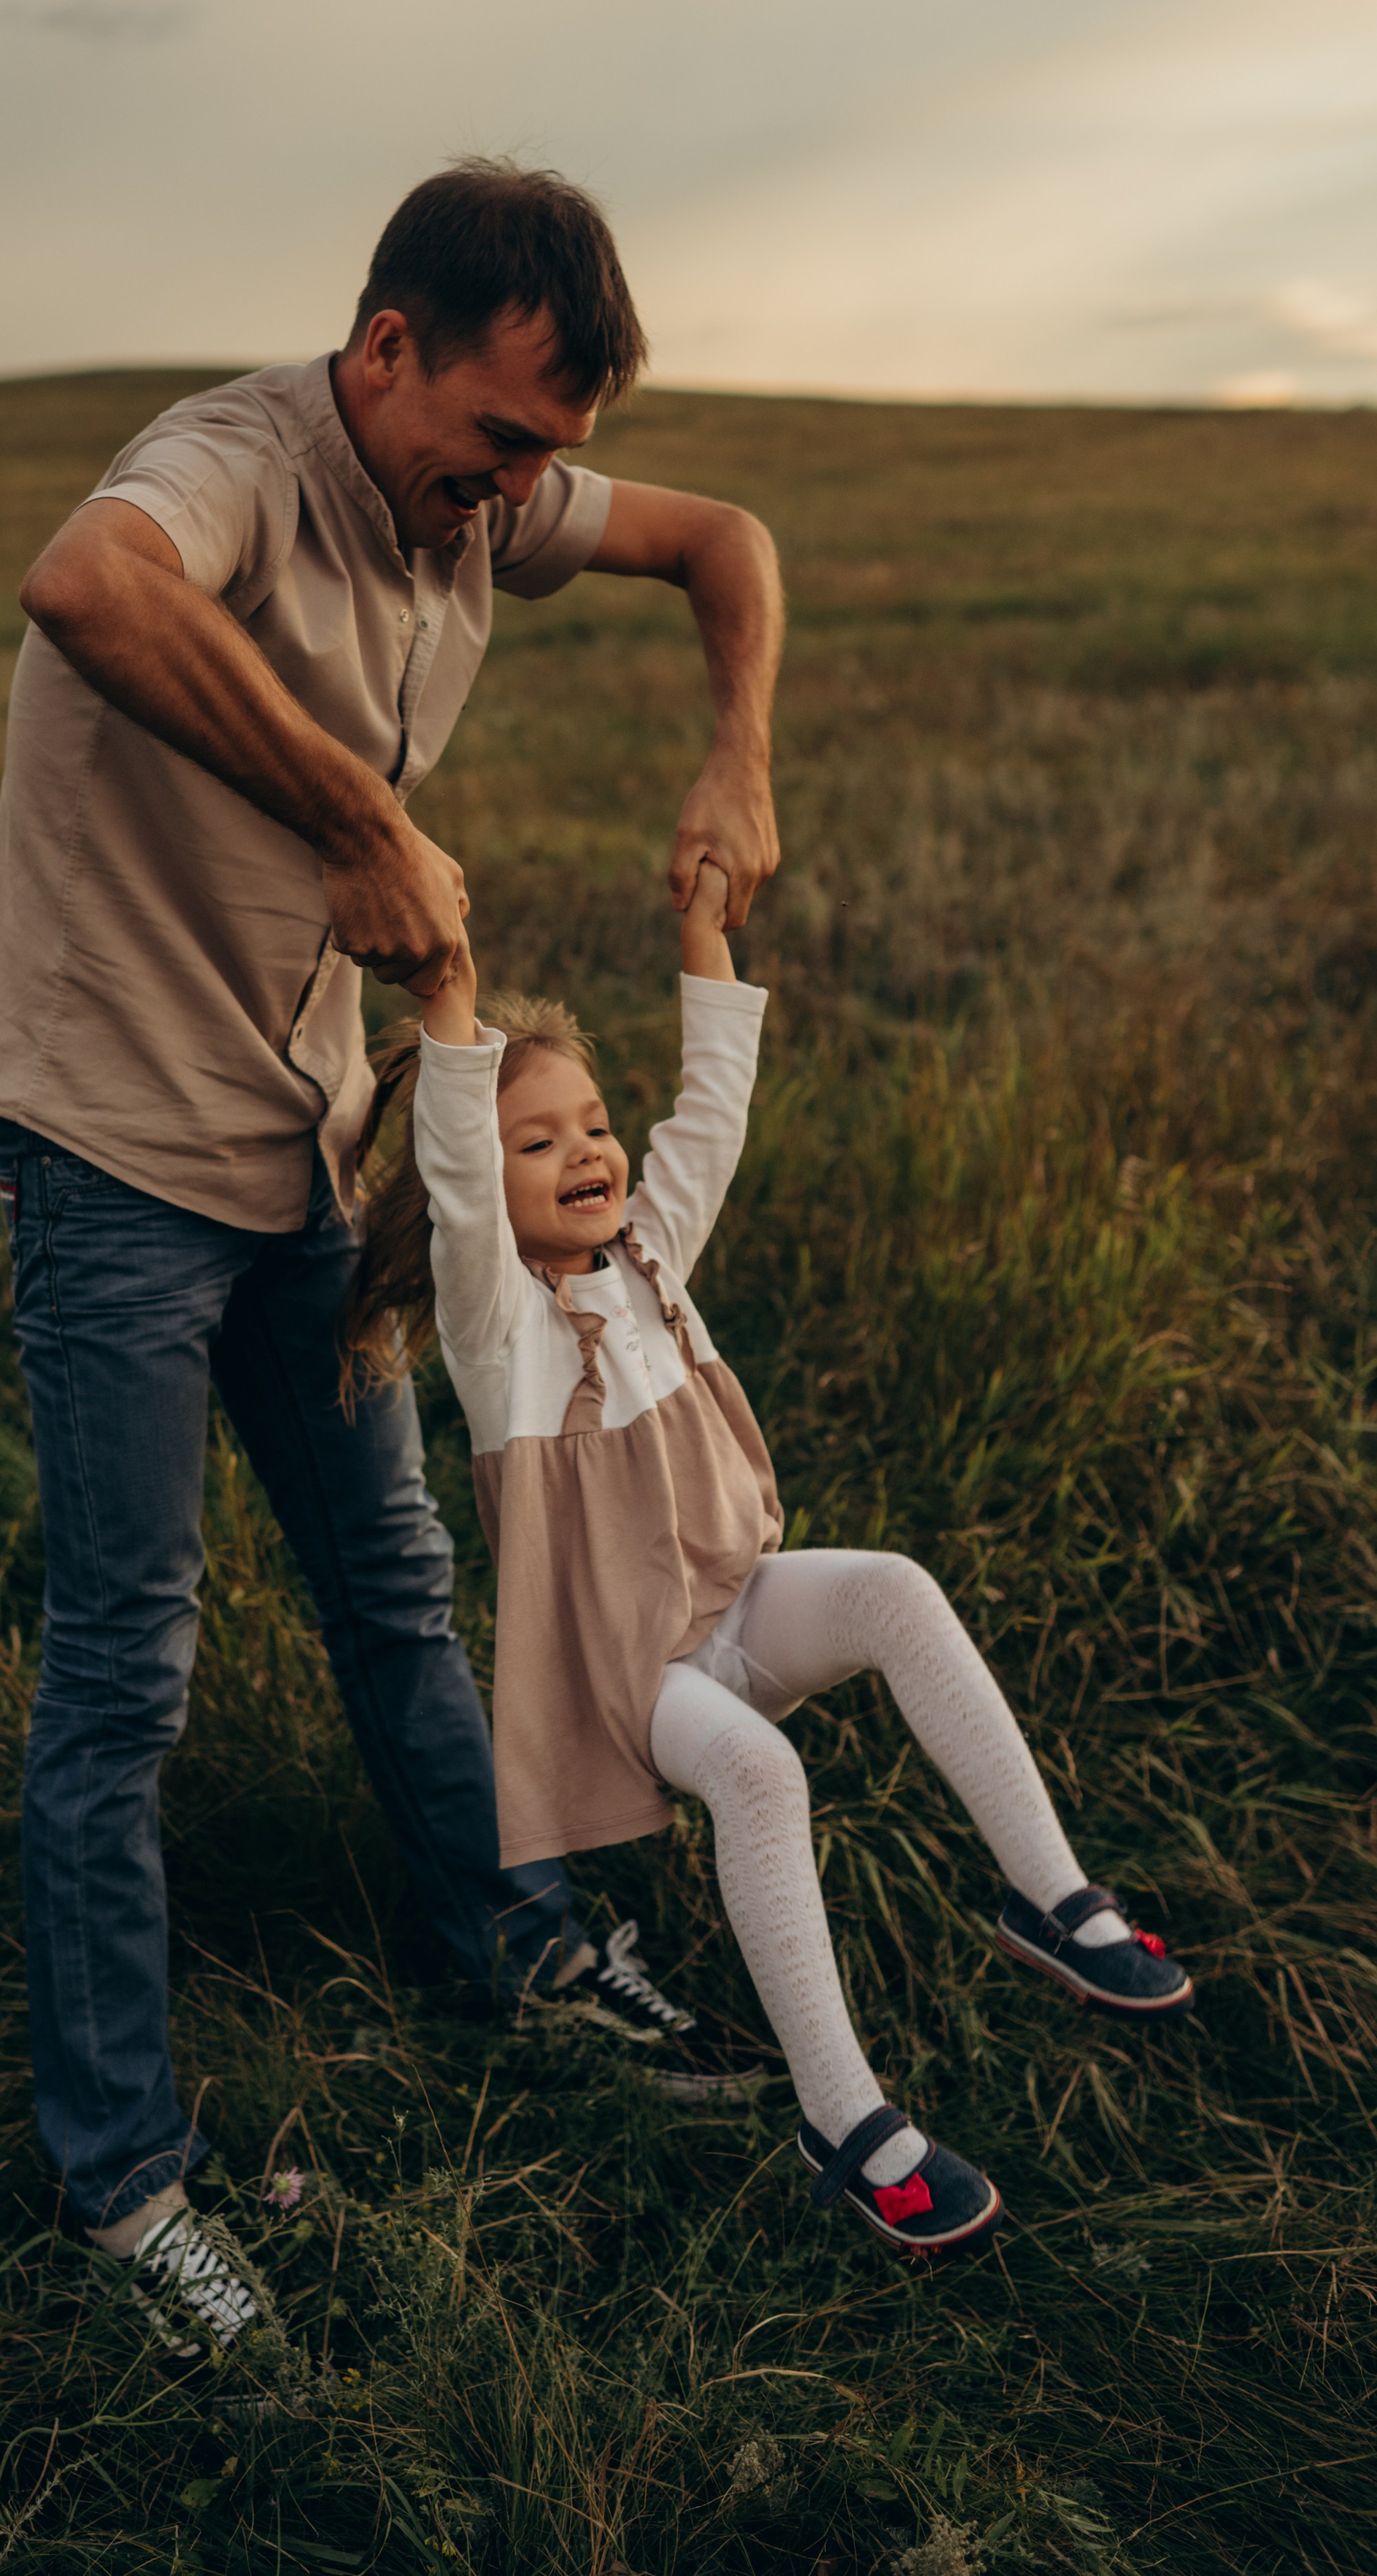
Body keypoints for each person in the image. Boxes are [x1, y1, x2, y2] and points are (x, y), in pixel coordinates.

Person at [0, 161, 786, 2348]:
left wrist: (740, 745)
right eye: (499, 437)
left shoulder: (479, 506)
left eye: (553, 456)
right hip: (115, 1152)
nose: (519, 492)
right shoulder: (237, 461)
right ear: (388, 345)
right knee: (129, 1668)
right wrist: (354, 811)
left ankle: (511, 1943)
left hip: (316, 1160)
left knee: (400, 1585)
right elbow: (86, 583)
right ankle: (125, 2179)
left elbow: (729, 544)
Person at [346, 859, 1195, 2262]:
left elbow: (713, 1114)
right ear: (489, 1197)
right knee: (761, 1768)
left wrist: (701, 937)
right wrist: (453, 1008)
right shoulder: (500, 1329)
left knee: (896, 1591)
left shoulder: (652, 1252)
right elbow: (450, 1171)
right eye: (538, 1143)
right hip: (637, 1672)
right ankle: (847, 2119)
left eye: (594, 1127)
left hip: (738, 1602)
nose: (586, 1155)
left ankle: (1054, 1900)